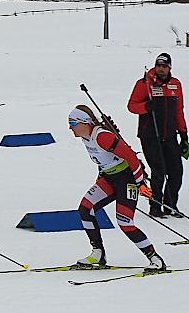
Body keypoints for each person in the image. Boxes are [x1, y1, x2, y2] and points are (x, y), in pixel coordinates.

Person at [68, 105, 166, 271]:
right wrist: (100, 179)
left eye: (73, 123)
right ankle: (98, 253)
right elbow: (103, 162)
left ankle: (155, 258)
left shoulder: (102, 137)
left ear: (85, 122)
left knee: (125, 222)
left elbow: (131, 157)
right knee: (85, 209)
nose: (70, 128)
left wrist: (140, 183)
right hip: (109, 178)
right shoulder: (86, 138)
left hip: (127, 178)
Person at [127, 52, 189, 218]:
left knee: (176, 172)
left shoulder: (176, 84)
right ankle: (155, 206)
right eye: (158, 66)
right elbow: (132, 106)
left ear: (170, 67)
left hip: (169, 134)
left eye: (164, 66)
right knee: (158, 171)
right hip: (150, 135)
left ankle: (170, 205)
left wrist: (183, 133)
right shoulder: (145, 83)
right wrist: (147, 106)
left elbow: (179, 110)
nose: (161, 69)